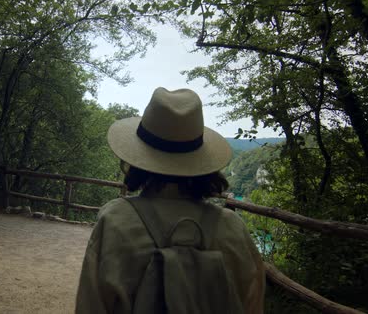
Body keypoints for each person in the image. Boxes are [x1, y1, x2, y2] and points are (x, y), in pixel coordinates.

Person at [75, 87, 265, 313]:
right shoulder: (233, 228)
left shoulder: (116, 221)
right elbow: (252, 304)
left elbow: (91, 305)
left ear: (137, 157)